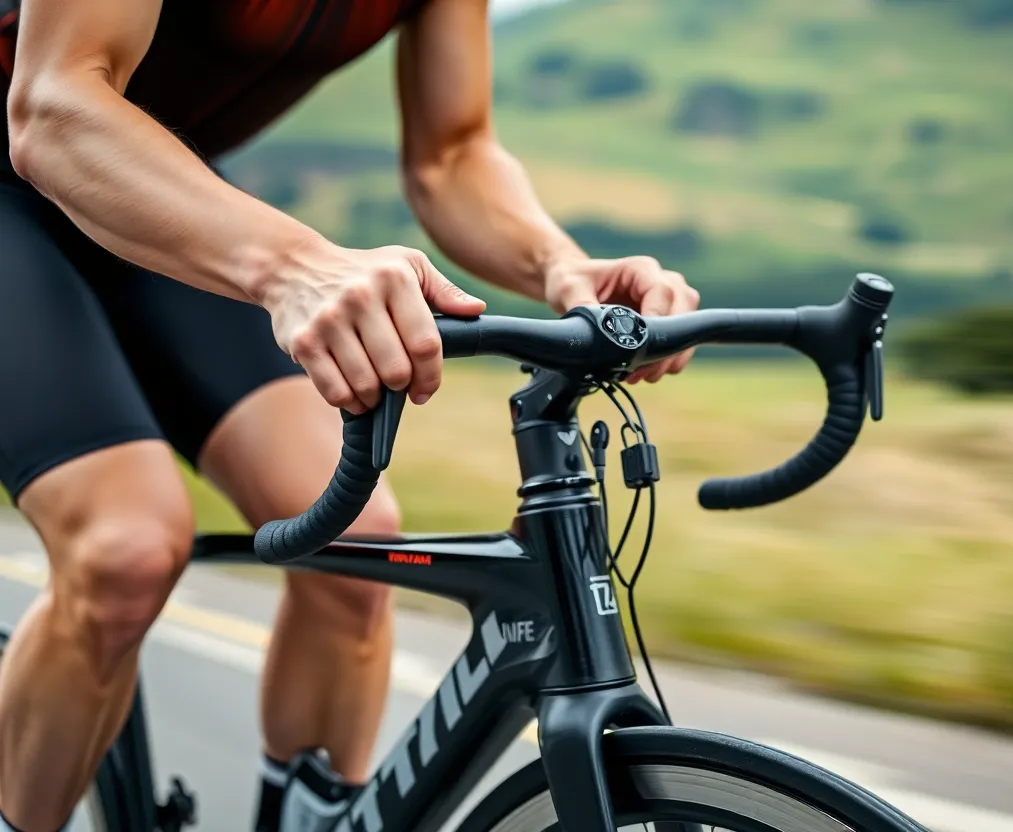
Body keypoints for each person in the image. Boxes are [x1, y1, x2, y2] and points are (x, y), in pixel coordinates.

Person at [0, 0, 700, 829]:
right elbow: (55, 105)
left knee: (358, 547)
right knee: (125, 550)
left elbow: (452, 154)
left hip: (150, 183)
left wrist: (562, 265)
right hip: (55, 154)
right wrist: (296, 268)